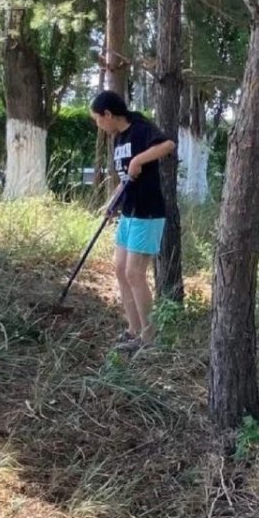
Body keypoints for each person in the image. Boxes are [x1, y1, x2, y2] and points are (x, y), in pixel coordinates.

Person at [90, 91, 176, 352]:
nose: (98, 125)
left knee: (134, 272)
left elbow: (168, 145)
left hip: (147, 212)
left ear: (108, 114)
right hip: (129, 212)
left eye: (97, 119)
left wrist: (139, 159)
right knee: (119, 270)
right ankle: (133, 329)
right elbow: (126, 180)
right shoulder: (119, 140)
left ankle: (149, 339)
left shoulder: (140, 128)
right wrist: (111, 204)